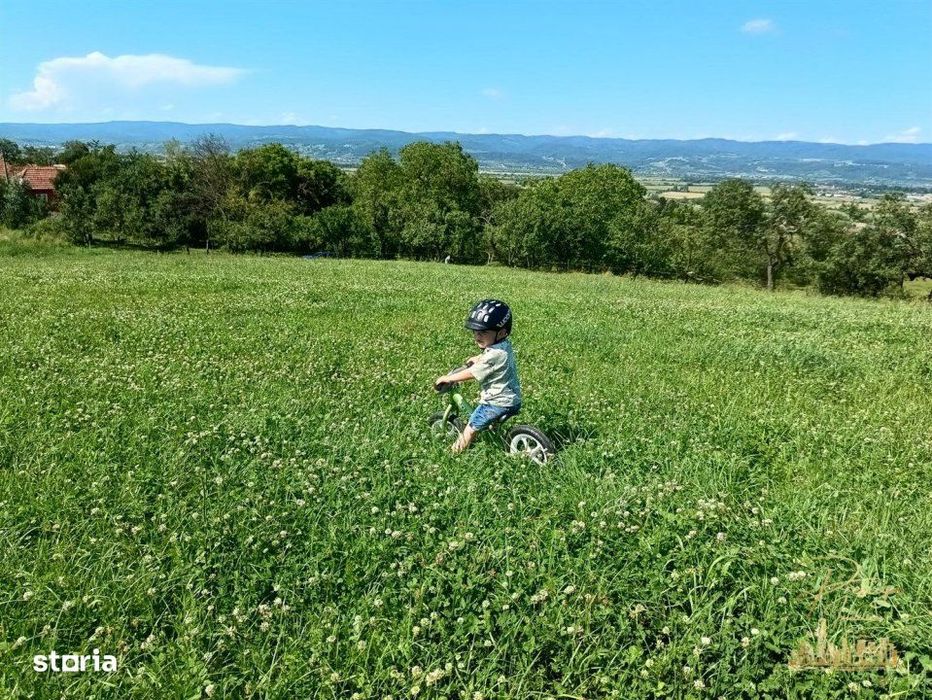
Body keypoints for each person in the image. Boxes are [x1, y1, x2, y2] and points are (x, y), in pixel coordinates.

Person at [435, 299, 523, 453]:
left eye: (483, 332)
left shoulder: (493, 355)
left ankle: (454, 453)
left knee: (471, 427)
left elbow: (472, 373)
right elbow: (493, 358)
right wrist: (478, 358)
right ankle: (493, 432)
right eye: (475, 331)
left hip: (496, 402)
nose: (477, 336)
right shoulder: (504, 345)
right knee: (486, 423)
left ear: (502, 332)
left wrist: (449, 378)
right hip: (512, 398)